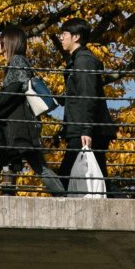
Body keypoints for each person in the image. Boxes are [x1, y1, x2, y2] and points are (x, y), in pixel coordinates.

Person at [0, 27, 65, 196]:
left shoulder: (16, 61)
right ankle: (64, 197)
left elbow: (13, 91)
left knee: (6, 165)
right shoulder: (18, 62)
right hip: (14, 123)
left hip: (14, 124)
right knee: (20, 164)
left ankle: (65, 197)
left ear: (8, 42)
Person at [55, 19, 116, 188]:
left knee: (65, 178)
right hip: (84, 128)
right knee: (100, 178)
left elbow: (88, 95)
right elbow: (77, 96)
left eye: (64, 34)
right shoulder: (77, 60)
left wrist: (86, 129)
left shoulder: (83, 61)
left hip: (86, 130)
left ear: (76, 37)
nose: (61, 38)